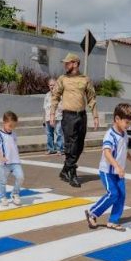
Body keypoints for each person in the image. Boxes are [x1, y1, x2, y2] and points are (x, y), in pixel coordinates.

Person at [85, 103, 131, 232]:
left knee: (121, 195)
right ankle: (92, 213)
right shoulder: (110, 135)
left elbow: (123, 151)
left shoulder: (124, 134)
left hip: (119, 172)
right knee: (113, 194)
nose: (129, 125)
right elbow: (107, 153)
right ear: (117, 119)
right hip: (107, 171)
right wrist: (116, 166)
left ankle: (113, 221)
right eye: (127, 122)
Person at [50, 52, 99, 188]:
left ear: (75, 64)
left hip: (82, 115)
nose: (65, 65)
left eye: (68, 63)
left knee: (79, 146)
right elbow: (55, 97)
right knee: (71, 145)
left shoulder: (85, 79)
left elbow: (91, 98)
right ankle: (72, 174)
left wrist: (95, 116)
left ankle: (65, 170)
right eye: (65, 63)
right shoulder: (62, 79)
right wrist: (52, 114)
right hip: (68, 116)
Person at [0, 111, 24, 207]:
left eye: (14, 126)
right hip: (4, 163)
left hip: (15, 161)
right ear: (4, 123)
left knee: (20, 177)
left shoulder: (14, 134)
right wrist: (1, 157)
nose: (12, 128)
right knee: (3, 181)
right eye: (10, 126)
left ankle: (15, 193)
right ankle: (2, 197)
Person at [43, 77, 64, 155]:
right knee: (49, 134)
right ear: (48, 86)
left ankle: (60, 149)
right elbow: (45, 108)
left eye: (53, 85)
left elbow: (62, 107)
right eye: (50, 85)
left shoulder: (60, 95)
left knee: (59, 133)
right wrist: (44, 120)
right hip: (48, 118)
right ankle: (51, 149)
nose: (52, 86)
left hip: (58, 117)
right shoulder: (47, 95)